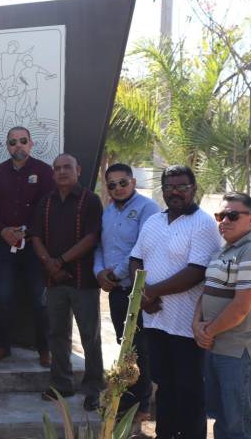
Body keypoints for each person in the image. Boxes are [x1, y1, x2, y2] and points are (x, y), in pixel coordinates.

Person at [129, 165, 222, 439]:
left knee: (189, 389)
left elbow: (196, 271)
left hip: (186, 326)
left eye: (182, 186)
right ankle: (165, 434)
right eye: (169, 187)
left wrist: (151, 293)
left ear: (193, 189)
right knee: (164, 385)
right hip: (156, 321)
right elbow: (136, 258)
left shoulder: (203, 223)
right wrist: (143, 294)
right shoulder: (153, 222)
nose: (175, 192)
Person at [193, 192, 251, 439]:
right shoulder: (222, 252)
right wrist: (196, 324)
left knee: (237, 426)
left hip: (241, 353)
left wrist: (207, 332)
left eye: (233, 215)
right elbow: (206, 292)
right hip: (217, 349)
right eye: (221, 215)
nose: (224, 221)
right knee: (223, 419)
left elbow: (241, 307)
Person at [31, 154, 104, 411]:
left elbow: (92, 237)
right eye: (57, 168)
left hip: (83, 280)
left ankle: (94, 389)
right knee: (57, 334)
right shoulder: (46, 202)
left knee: (89, 336)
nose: (62, 172)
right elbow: (36, 236)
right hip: (54, 281)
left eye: (67, 167)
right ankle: (61, 384)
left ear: (78, 170)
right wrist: (49, 263)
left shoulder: (90, 200)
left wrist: (60, 261)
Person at [93, 163, 159, 420]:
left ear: (133, 182)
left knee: (140, 348)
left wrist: (115, 273)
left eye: (123, 182)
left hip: (138, 289)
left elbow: (142, 247)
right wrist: (99, 272)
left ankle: (142, 405)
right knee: (125, 345)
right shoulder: (108, 212)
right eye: (112, 184)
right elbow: (100, 246)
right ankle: (127, 399)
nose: (118, 188)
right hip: (116, 290)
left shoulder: (147, 209)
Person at [0, 126, 54, 366]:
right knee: (2, 297)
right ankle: (3, 345)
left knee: (39, 300)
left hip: (34, 246)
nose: (18, 145)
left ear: (31, 144)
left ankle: (45, 349)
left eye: (23, 141)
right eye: (13, 142)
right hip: (3, 246)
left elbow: (47, 208)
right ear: (7, 146)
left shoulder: (44, 172)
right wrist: (4, 230)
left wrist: (26, 231)